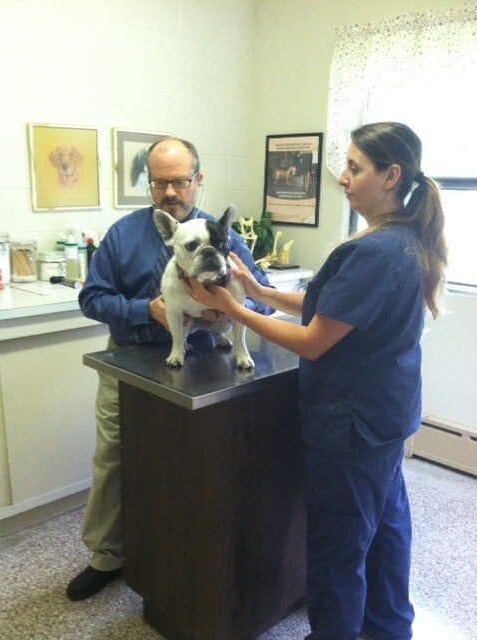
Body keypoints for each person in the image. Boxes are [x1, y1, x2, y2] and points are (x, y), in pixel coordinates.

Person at [187, 122, 447, 640]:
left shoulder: (374, 251)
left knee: (337, 550)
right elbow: (329, 308)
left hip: (351, 427)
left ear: (391, 175)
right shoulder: (403, 242)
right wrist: (258, 288)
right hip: (385, 421)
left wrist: (233, 307)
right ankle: (389, 629)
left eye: (354, 167)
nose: (342, 177)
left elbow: (313, 340)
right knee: (386, 534)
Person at [66, 137, 273, 601]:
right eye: (159, 182)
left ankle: (185, 552)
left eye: (179, 181)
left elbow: (262, 291)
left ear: (198, 180)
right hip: (129, 359)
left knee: (192, 465)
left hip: (203, 364)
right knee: (116, 455)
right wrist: (147, 310)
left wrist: (231, 309)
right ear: (150, 187)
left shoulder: (221, 232)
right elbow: (91, 299)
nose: (170, 192)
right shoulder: (123, 235)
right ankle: (106, 555)